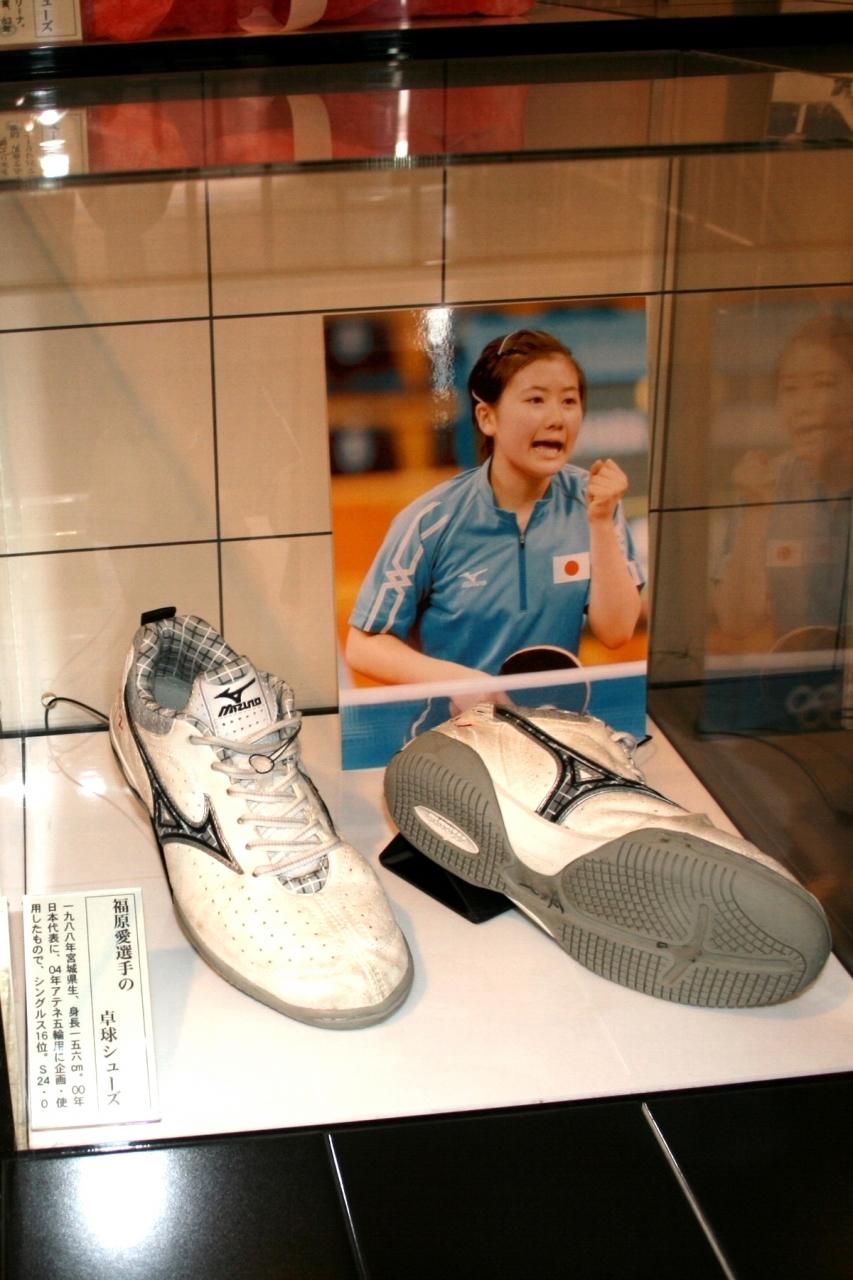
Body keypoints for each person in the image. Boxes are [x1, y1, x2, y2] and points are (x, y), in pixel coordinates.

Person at [345, 328, 644, 686]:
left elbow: (616, 631)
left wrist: (600, 521)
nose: (557, 418)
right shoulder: (430, 521)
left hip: (552, 714)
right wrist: (465, 685)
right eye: (536, 400)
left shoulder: (594, 502)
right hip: (455, 716)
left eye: (569, 401)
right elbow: (363, 646)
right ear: (488, 418)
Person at [712, 315, 853, 645]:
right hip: (798, 677)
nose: (803, 406)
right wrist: (757, 510)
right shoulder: (765, 486)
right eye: (790, 389)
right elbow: (735, 621)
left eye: (823, 384)